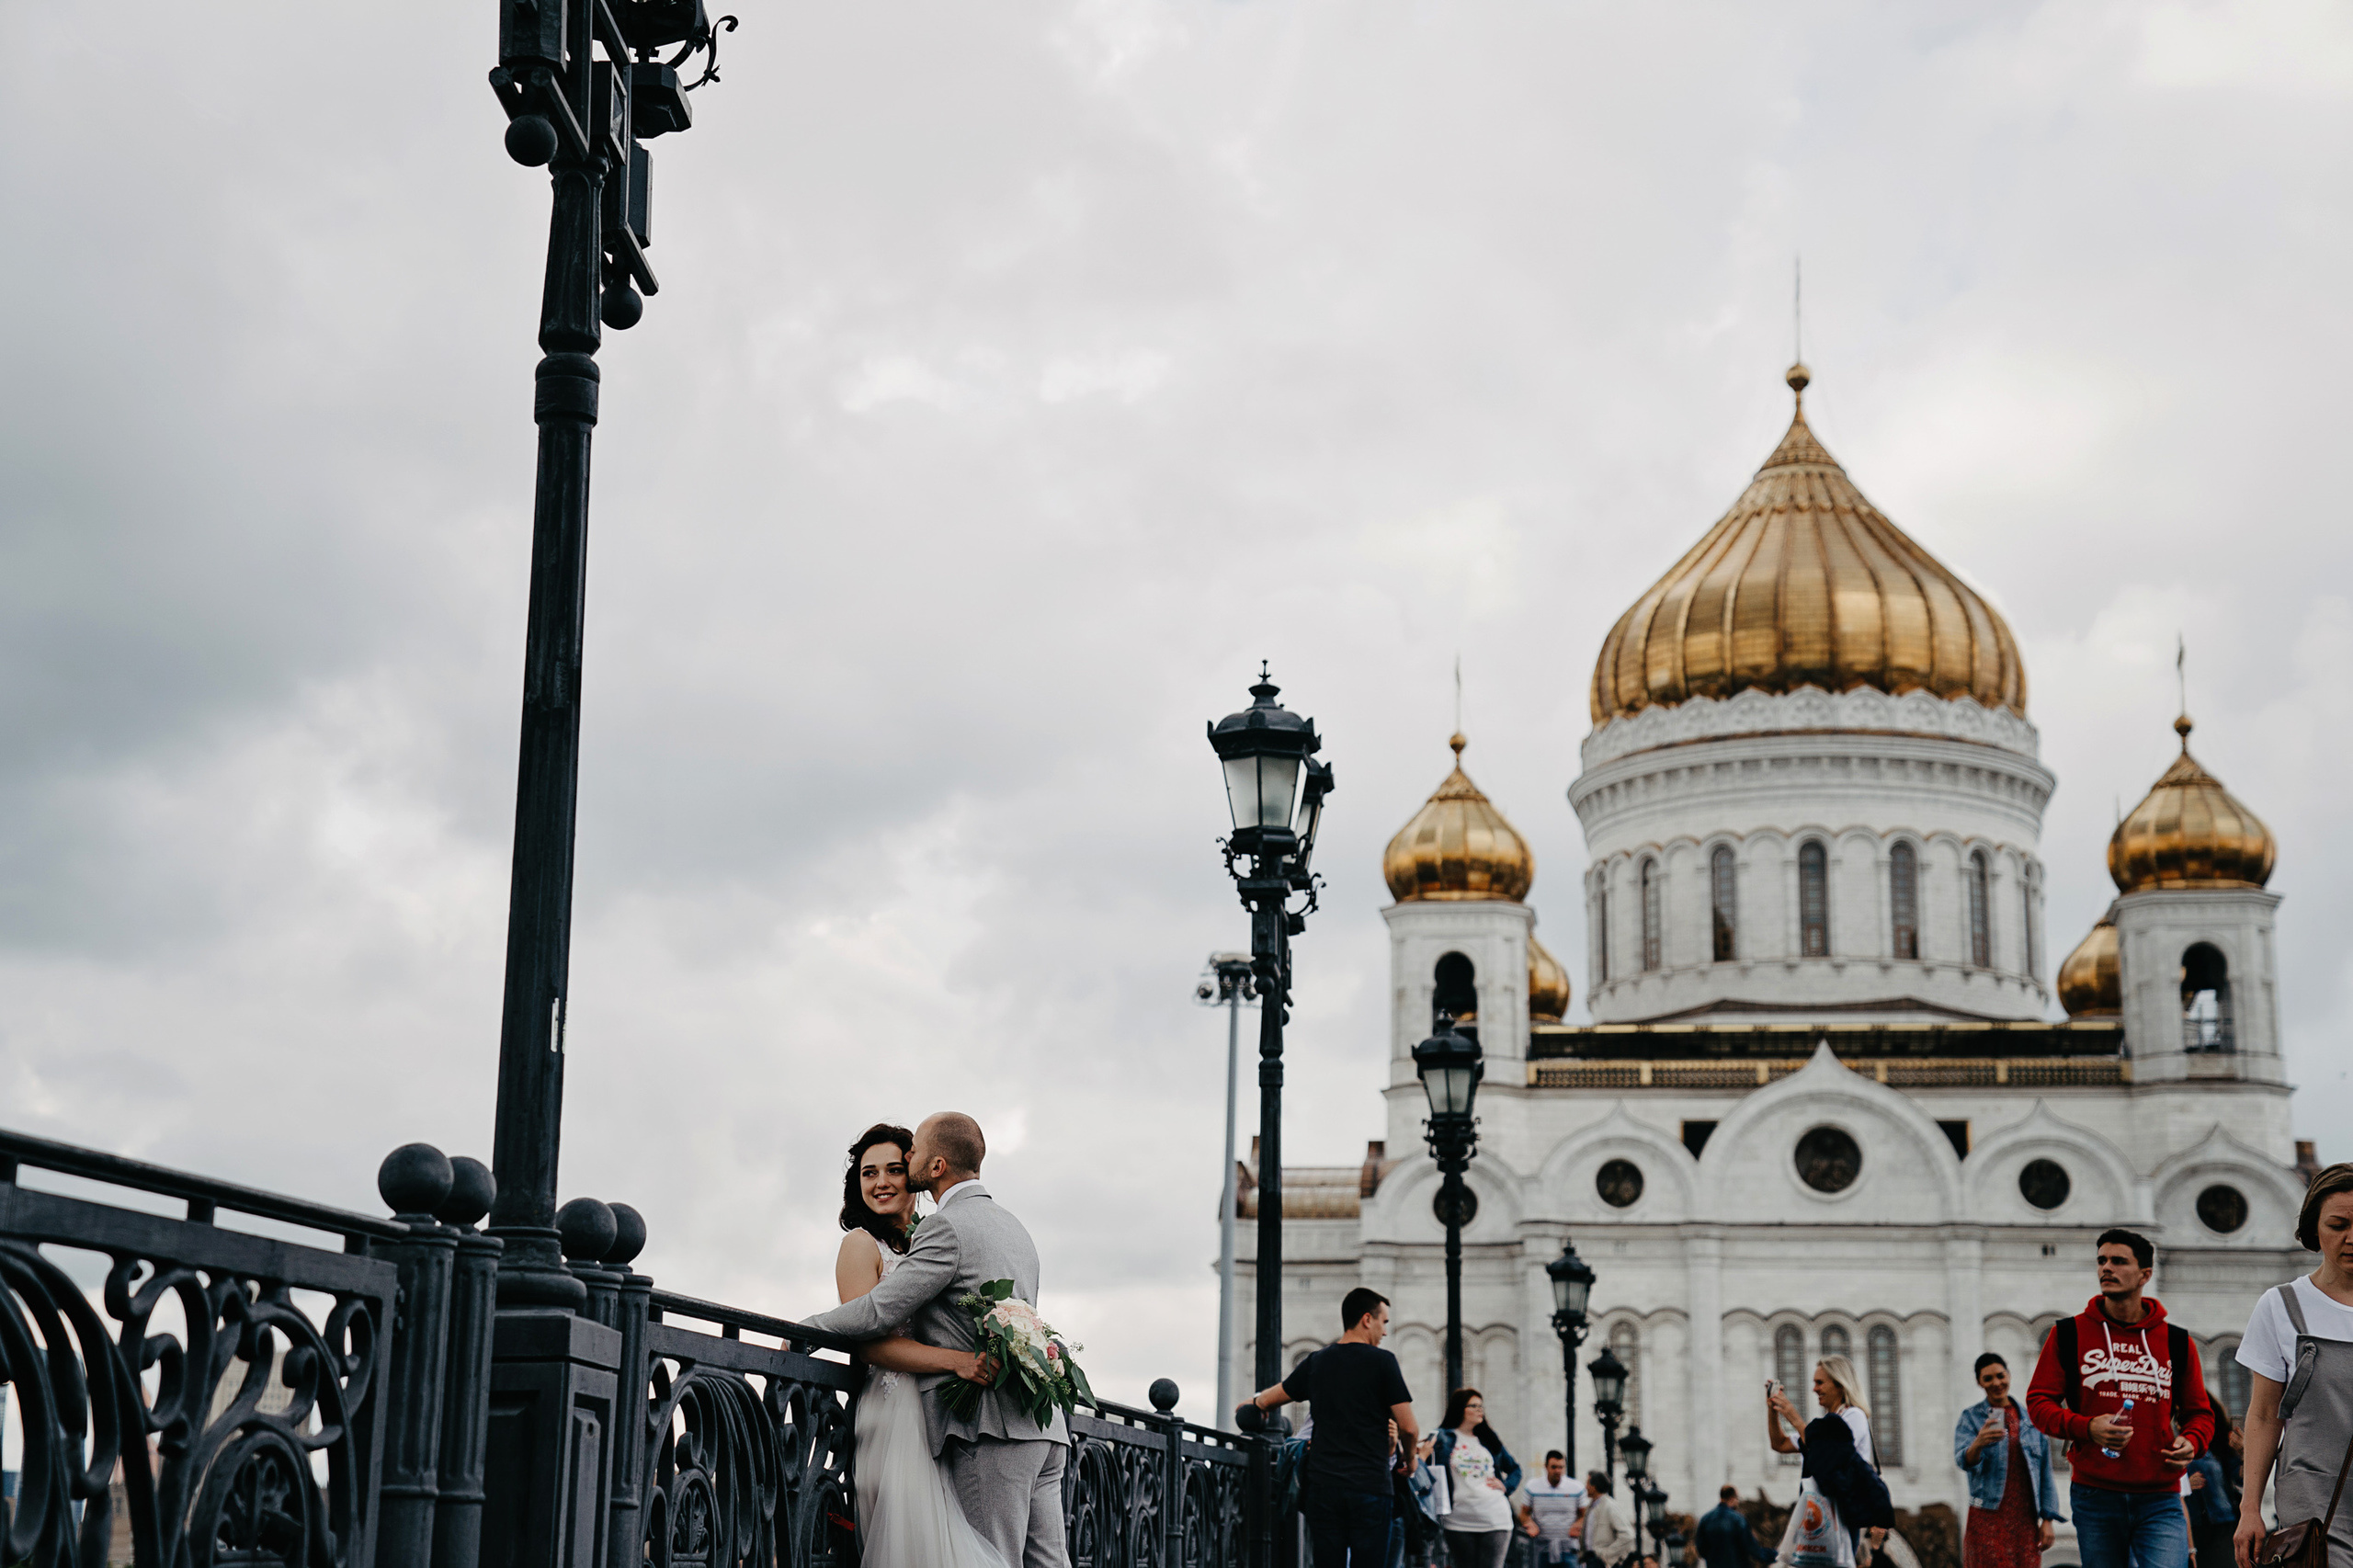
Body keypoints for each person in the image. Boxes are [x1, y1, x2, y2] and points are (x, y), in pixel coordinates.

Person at [804, 1113, 1070, 1568]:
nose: (907, 1163)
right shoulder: (1013, 1227)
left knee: (988, 1560)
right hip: (1042, 1426)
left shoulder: (944, 1229)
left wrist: (805, 1331)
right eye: (872, 1172)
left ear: (937, 1164)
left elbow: (876, 1313)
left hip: (990, 1427)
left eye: (910, 1156)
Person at [2026, 1227, 2211, 1568]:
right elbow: (2039, 1404)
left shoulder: (2176, 1341)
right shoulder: (2068, 1333)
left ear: (2145, 1275)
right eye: (2101, 1261)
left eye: (2118, 1261)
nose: (2106, 1268)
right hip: (2096, 1495)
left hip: (2161, 1496)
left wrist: (2192, 1441)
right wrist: (2086, 1428)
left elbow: (2200, 1413)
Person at [1241, 1288, 1420, 1567]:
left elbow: (1275, 1396)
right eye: (1383, 1322)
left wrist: (1254, 1404)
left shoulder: (1317, 1361)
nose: (1385, 1332)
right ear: (1366, 1319)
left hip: (1324, 1487)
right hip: (1370, 1487)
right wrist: (1410, 1461)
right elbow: (1408, 1428)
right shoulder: (1383, 1362)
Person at [2234, 1163, 2353, 1568]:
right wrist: (2250, 1508)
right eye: (2338, 1225)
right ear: (2313, 1229)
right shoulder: (2283, 1306)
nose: (2351, 1238)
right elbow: (2265, 1415)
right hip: (2312, 1498)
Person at [1768, 1357, 1893, 1563]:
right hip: (1820, 1512)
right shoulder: (1825, 1426)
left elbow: (1829, 1452)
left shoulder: (1854, 1416)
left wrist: (1793, 1416)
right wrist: (1773, 1411)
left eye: (1820, 1382)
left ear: (1840, 1384)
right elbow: (1779, 1444)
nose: (1814, 1389)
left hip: (1840, 1515)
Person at [1954, 1351, 2064, 1568]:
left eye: (2000, 1375)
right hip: (1987, 1516)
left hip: (2025, 1520)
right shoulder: (1972, 1417)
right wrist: (1978, 1443)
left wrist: (2048, 1520)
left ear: (2009, 1375)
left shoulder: (2031, 1420)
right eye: (1988, 1378)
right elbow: (1963, 1461)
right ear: (1980, 1382)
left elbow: (2045, 1472)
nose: (1996, 1383)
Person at [1425, 1388, 1524, 1568]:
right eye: (1474, 1406)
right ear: (1460, 1409)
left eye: (1481, 1406)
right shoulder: (1442, 1438)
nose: (1480, 1410)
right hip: (1458, 1519)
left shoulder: (1488, 1439)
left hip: (1495, 1517)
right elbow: (1424, 1463)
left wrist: (1505, 1486)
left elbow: (1515, 1469)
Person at [1521, 1451, 1586, 1566]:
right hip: (1542, 1547)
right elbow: (1524, 1514)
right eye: (1554, 1467)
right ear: (1546, 1467)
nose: (1558, 1471)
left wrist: (1579, 1524)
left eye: (1561, 1467)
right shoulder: (1532, 1487)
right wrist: (1529, 1523)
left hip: (1568, 1547)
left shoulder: (1576, 1488)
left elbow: (1584, 1514)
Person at [1694, 1485, 1775, 1568]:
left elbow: (1701, 1549)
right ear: (1733, 1498)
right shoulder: (1738, 1519)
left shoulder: (1706, 1519)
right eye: (1737, 1498)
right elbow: (1752, 1548)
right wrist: (1774, 1555)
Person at [1583, 1470, 1635, 1568]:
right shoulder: (1592, 1507)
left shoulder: (1610, 1506)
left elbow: (1628, 1535)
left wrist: (1607, 1555)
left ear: (1594, 1487)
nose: (1585, 1487)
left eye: (1587, 1484)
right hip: (1590, 1559)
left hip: (1600, 1561)